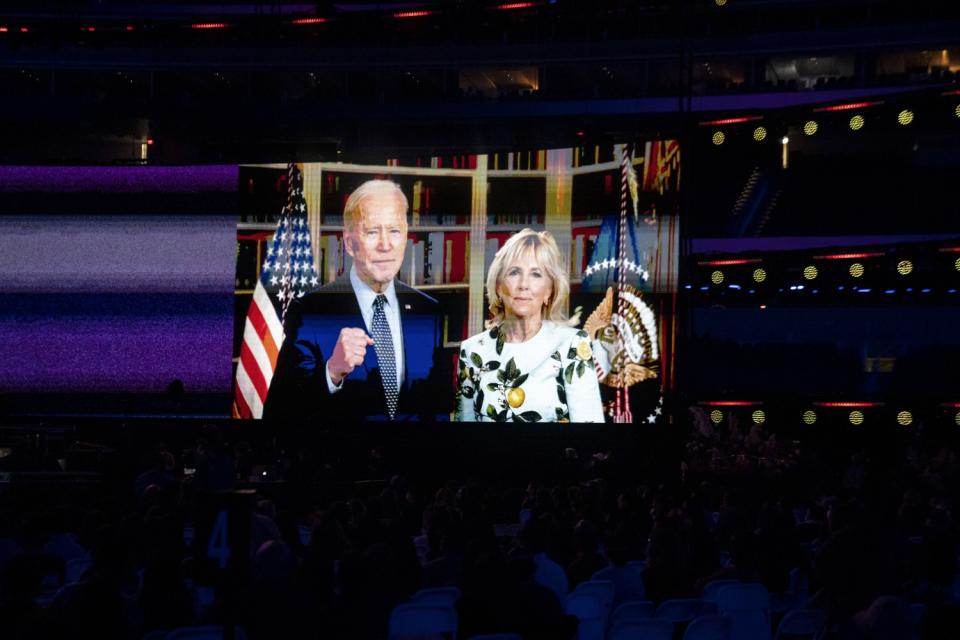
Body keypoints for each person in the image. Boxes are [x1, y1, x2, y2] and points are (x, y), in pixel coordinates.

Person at [264, 179, 451, 421]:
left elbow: (437, 411)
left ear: (406, 236)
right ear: (350, 243)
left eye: (394, 231)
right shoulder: (311, 311)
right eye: (372, 231)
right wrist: (331, 372)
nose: (386, 245)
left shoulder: (428, 310)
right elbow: (278, 414)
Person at [455, 228, 604, 422]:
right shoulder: (472, 352)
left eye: (536, 274)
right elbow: (464, 438)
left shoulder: (572, 344)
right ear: (499, 286)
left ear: (549, 291)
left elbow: (590, 435)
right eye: (514, 272)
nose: (524, 284)